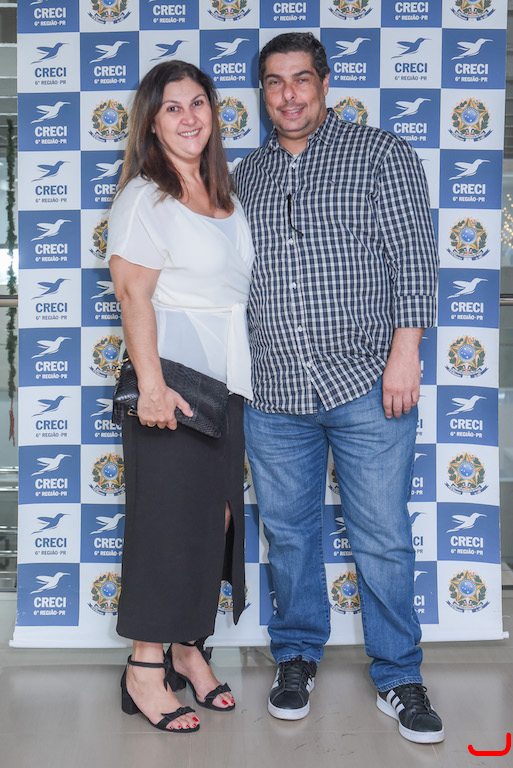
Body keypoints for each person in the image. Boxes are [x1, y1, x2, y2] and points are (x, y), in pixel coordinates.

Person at [233, 33, 444, 744]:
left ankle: (400, 675)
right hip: (273, 389)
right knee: (289, 535)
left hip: (366, 383)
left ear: (324, 83)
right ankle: (295, 656)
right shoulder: (244, 177)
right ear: (262, 92)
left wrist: (405, 352)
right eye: (274, 82)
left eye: (301, 79)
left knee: (381, 537)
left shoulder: (380, 154)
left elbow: (413, 256)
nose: (288, 94)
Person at [106, 60, 254, 733]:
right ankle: (144, 667)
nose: (190, 116)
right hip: (173, 384)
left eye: (199, 103)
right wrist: (153, 387)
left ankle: (189, 647)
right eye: (173, 107)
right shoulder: (147, 196)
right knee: (166, 525)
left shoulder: (223, 195)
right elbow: (132, 293)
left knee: (213, 520)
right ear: (151, 121)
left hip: (226, 384)